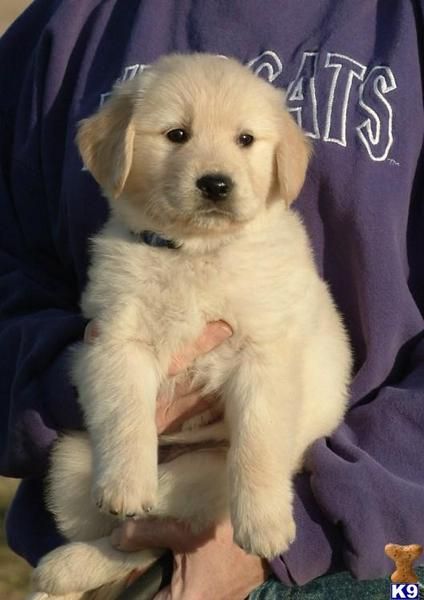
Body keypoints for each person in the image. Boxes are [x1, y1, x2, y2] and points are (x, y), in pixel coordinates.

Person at [0, 1, 423, 598]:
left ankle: (131, 551)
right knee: (80, 468)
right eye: (176, 135)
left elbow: (269, 365)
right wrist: (64, 398)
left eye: (246, 141)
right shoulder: (66, 22)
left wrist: (283, 515)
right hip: (125, 481)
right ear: (114, 150)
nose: (214, 171)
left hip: (375, 529)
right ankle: (126, 551)